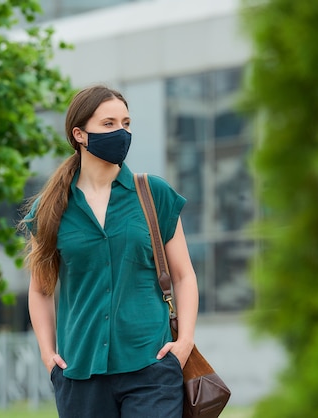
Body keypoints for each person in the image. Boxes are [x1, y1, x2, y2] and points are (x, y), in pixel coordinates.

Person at [19, 85, 199, 418]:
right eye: (109, 124)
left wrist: (184, 343)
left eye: (126, 123)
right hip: (79, 375)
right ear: (80, 134)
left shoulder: (153, 194)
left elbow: (184, 275)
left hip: (152, 366)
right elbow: (40, 290)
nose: (121, 132)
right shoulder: (51, 208)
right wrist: (49, 357)